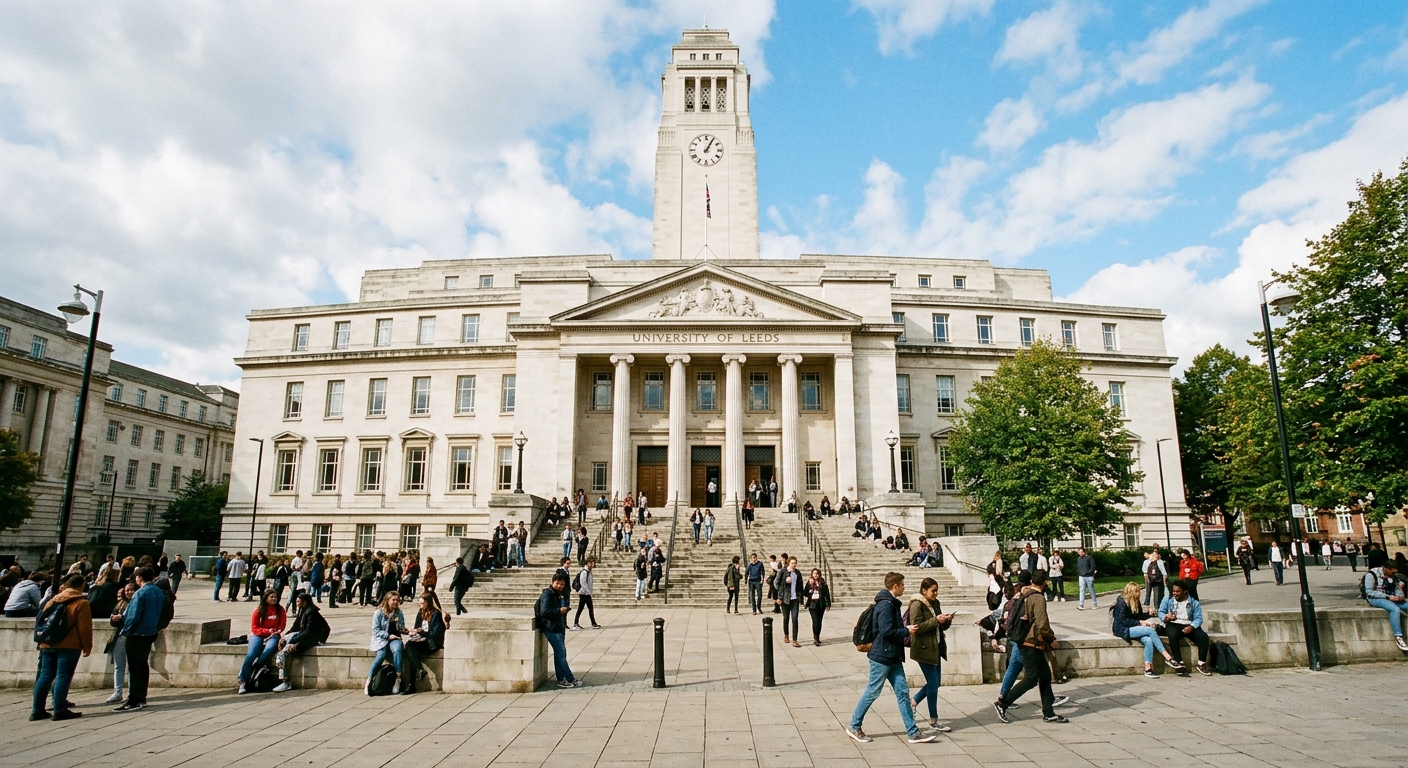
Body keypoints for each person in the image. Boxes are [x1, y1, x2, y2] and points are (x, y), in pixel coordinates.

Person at [845, 572, 937, 744]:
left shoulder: (890, 603)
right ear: (895, 586)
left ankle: (913, 732)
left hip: (892, 656)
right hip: (882, 657)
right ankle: (854, 726)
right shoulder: (886, 605)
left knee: (903, 693)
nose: (904, 587)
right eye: (902, 585)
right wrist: (906, 630)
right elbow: (886, 631)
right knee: (872, 692)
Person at [993, 571, 1068, 724]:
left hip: (1026, 641)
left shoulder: (1024, 594)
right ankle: (1002, 703)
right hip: (1031, 642)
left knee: (1045, 676)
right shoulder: (1038, 598)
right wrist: (1051, 639)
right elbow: (1042, 624)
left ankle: (1048, 712)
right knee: (1031, 678)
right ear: (1044, 582)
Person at [29, 573, 93, 721]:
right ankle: (60, 709)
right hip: (69, 645)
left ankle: (37, 709)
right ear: (81, 585)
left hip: (47, 642)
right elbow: (85, 627)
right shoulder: (81, 602)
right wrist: (87, 646)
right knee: (63, 676)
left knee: (45, 675)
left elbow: (41, 619)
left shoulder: (52, 600)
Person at [114, 566, 164, 712]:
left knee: (135, 668)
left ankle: (134, 699)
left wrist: (125, 630)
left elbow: (133, 616)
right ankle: (141, 697)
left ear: (139, 578)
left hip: (137, 633)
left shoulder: (140, 593)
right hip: (150, 631)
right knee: (142, 666)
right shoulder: (158, 592)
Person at [907, 576, 953, 732]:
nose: (935, 593)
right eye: (933, 591)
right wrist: (936, 620)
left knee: (936, 683)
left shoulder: (935, 603)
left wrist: (946, 620)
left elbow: (940, 627)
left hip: (937, 648)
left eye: (936, 590)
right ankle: (934, 720)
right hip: (924, 649)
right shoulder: (916, 605)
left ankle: (914, 702)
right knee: (933, 684)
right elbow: (916, 626)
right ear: (924, 591)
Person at [1111, 582, 1183, 678]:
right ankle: (1168, 657)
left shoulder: (1136, 601)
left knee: (1148, 640)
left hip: (1133, 627)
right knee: (1150, 630)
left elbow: (1139, 616)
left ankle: (1148, 668)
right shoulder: (1121, 601)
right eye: (1136, 591)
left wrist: (1150, 614)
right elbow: (1122, 620)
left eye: (1139, 591)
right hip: (1121, 629)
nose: (1139, 594)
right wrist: (1140, 623)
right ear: (1130, 592)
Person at [267, 591, 329, 692]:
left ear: (304, 602)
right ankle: (280, 673)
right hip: (304, 634)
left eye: (298, 601)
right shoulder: (302, 610)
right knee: (283, 644)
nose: (297, 603)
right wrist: (285, 637)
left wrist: (293, 642)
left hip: (315, 638)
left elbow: (309, 632)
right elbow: (296, 626)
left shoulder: (311, 612)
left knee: (285, 652)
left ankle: (285, 681)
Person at [535, 573, 582, 688]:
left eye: (562, 584)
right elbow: (544, 611)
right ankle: (570, 678)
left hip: (558, 627)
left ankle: (561, 679)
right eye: (557, 583)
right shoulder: (547, 594)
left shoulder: (558, 594)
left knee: (559, 655)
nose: (560, 586)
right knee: (561, 654)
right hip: (551, 628)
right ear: (552, 582)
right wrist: (559, 611)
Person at [1157, 580, 1212, 675]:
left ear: (1185, 591)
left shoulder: (1194, 602)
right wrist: (1167, 617)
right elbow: (1161, 612)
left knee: (1203, 637)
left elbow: (1198, 619)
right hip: (1174, 623)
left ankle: (1201, 663)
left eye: (1178, 591)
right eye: (1174, 591)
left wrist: (1191, 626)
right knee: (1172, 634)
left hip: (1189, 624)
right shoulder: (1168, 599)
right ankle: (1179, 662)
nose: (1175, 594)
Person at [239, 590, 286, 694]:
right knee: (251, 654)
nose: (274, 599)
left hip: (273, 636)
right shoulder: (259, 610)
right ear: (266, 598)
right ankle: (242, 680)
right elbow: (254, 628)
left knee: (270, 649)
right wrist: (266, 631)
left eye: (275, 597)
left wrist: (276, 631)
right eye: (271, 597)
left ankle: (257, 666)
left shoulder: (280, 610)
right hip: (258, 635)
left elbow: (282, 625)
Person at [402, 591, 448, 694]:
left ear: (428, 603)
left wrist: (422, 633)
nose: (420, 605)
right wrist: (411, 632)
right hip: (421, 641)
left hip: (432, 643)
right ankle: (419, 672)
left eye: (422, 603)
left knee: (410, 650)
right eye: (419, 603)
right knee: (410, 647)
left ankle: (411, 685)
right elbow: (417, 627)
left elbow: (435, 634)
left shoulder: (436, 614)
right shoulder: (420, 613)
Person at [1362, 560, 1408, 651]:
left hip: (1392, 597)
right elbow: (1369, 592)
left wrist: (1400, 594)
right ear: (1385, 568)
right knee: (1394, 609)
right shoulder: (1372, 574)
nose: (1393, 574)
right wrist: (1388, 597)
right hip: (1376, 598)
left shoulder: (1394, 576)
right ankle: (1398, 636)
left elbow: (1397, 590)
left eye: (1395, 572)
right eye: (1391, 572)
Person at [367, 592, 407, 696]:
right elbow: (375, 630)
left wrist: (406, 630)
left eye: (397, 600)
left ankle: (398, 678)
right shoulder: (379, 613)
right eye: (393, 600)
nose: (396, 602)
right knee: (381, 655)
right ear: (387, 601)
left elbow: (401, 627)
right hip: (382, 639)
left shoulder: (399, 613)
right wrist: (388, 635)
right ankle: (369, 680)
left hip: (395, 638)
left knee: (397, 650)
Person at [103, 582, 136, 704]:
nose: (129, 592)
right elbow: (113, 623)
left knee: (132, 666)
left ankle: (132, 692)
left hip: (132, 637)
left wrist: (121, 618)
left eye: (131, 589)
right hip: (120, 637)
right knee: (119, 665)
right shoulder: (120, 604)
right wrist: (114, 619)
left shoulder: (137, 602)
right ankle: (117, 692)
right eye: (127, 590)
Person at [776, 557, 802, 646]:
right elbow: (776, 583)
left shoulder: (797, 573)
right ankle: (786, 635)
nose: (794, 565)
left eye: (795, 563)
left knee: (795, 619)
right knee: (786, 618)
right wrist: (779, 597)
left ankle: (795, 640)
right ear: (788, 563)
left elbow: (800, 586)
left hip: (795, 599)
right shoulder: (783, 572)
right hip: (785, 599)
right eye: (792, 563)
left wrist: (801, 598)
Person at [802, 568, 831, 646]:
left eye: (817, 573)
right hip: (812, 605)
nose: (815, 575)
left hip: (821, 604)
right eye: (814, 573)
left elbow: (826, 594)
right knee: (815, 621)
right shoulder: (809, 582)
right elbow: (804, 592)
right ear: (812, 574)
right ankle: (815, 638)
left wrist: (828, 604)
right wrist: (810, 591)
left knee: (819, 621)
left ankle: (818, 637)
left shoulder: (822, 583)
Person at [572, 559, 600, 630]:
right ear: (587, 564)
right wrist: (588, 591)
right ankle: (575, 623)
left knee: (590, 608)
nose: (592, 565)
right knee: (580, 608)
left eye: (593, 563)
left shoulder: (589, 572)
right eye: (590, 563)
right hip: (583, 593)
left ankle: (593, 623)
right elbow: (583, 583)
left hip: (587, 593)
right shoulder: (584, 572)